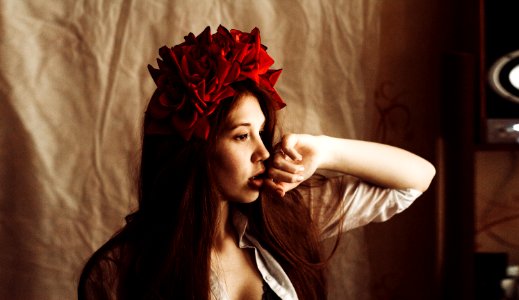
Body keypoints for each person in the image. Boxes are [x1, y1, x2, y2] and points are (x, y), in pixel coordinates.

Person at [77, 25, 436, 300]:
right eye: (241, 135)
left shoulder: (284, 219)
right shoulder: (121, 267)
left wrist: (324, 151)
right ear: (194, 151)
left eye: (262, 132)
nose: (263, 152)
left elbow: (417, 178)